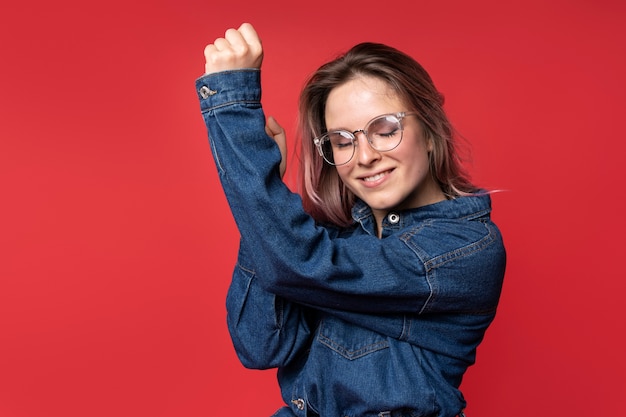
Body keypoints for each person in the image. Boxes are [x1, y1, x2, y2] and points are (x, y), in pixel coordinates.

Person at [196, 23, 506, 417]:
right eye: (343, 140)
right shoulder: (332, 238)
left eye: (384, 130)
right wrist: (263, 190)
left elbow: (296, 266)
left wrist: (235, 113)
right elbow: (259, 344)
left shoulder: (463, 249)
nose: (364, 156)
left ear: (430, 131)